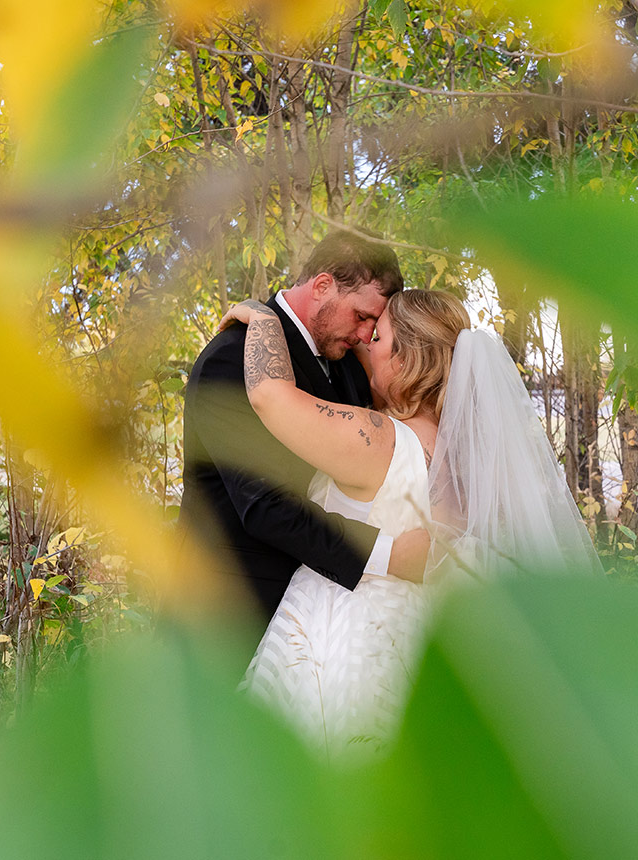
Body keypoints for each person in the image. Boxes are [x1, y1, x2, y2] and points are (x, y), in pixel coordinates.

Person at [220, 288, 598, 756]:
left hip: (346, 643)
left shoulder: (379, 441)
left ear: (406, 359)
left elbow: (269, 397)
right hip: (421, 641)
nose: (364, 345)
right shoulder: (467, 461)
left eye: (376, 337)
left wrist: (262, 317)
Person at [179, 231, 431, 647]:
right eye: (362, 316)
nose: (366, 334)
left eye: (375, 325)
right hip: (226, 617)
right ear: (322, 286)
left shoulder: (347, 363)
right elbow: (263, 506)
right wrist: (388, 555)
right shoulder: (233, 356)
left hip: (322, 617)